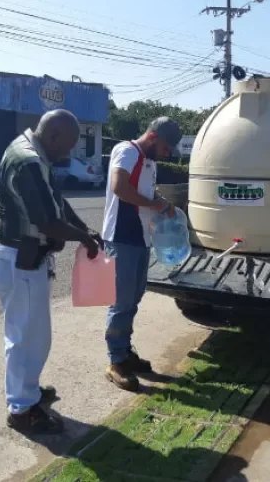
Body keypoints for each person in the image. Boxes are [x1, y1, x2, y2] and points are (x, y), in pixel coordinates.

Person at [0, 109, 102, 435]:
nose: (68, 153)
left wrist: (84, 229)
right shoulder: (30, 162)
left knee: (33, 335)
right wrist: (83, 239)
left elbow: (56, 203)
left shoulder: (30, 149)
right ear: (53, 136)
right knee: (26, 338)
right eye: (67, 146)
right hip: (19, 259)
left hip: (21, 256)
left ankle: (28, 392)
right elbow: (47, 221)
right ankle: (23, 410)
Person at [101, 116, 182, 391]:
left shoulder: (149, 162)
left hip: (140, 238)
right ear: (154, 137)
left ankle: (124, 351)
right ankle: (115, 362)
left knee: (133, 299)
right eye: (166, 148)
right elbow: (120, 187)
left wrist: (161, 203)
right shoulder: (127, 151)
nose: (167, 154)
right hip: (121, 237)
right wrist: (152, 204)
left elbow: (145, 193)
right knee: (121, 302)